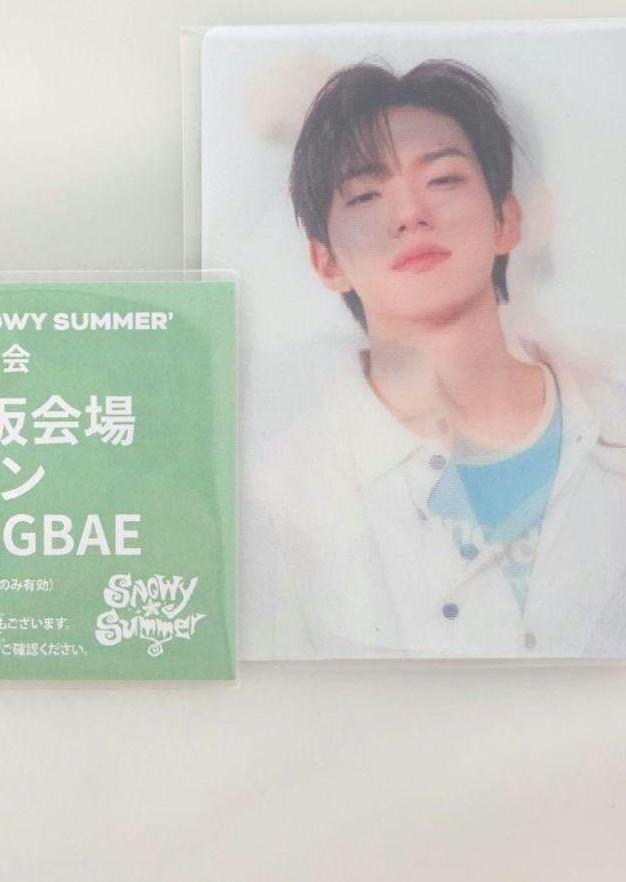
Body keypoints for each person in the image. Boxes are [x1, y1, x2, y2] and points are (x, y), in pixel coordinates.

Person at [256, 59, 626, 658]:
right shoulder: (282, 494)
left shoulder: (611, 421)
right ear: (326, 262)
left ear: (506, 219)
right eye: (366, 194)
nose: (411, 214)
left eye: (444, 179)